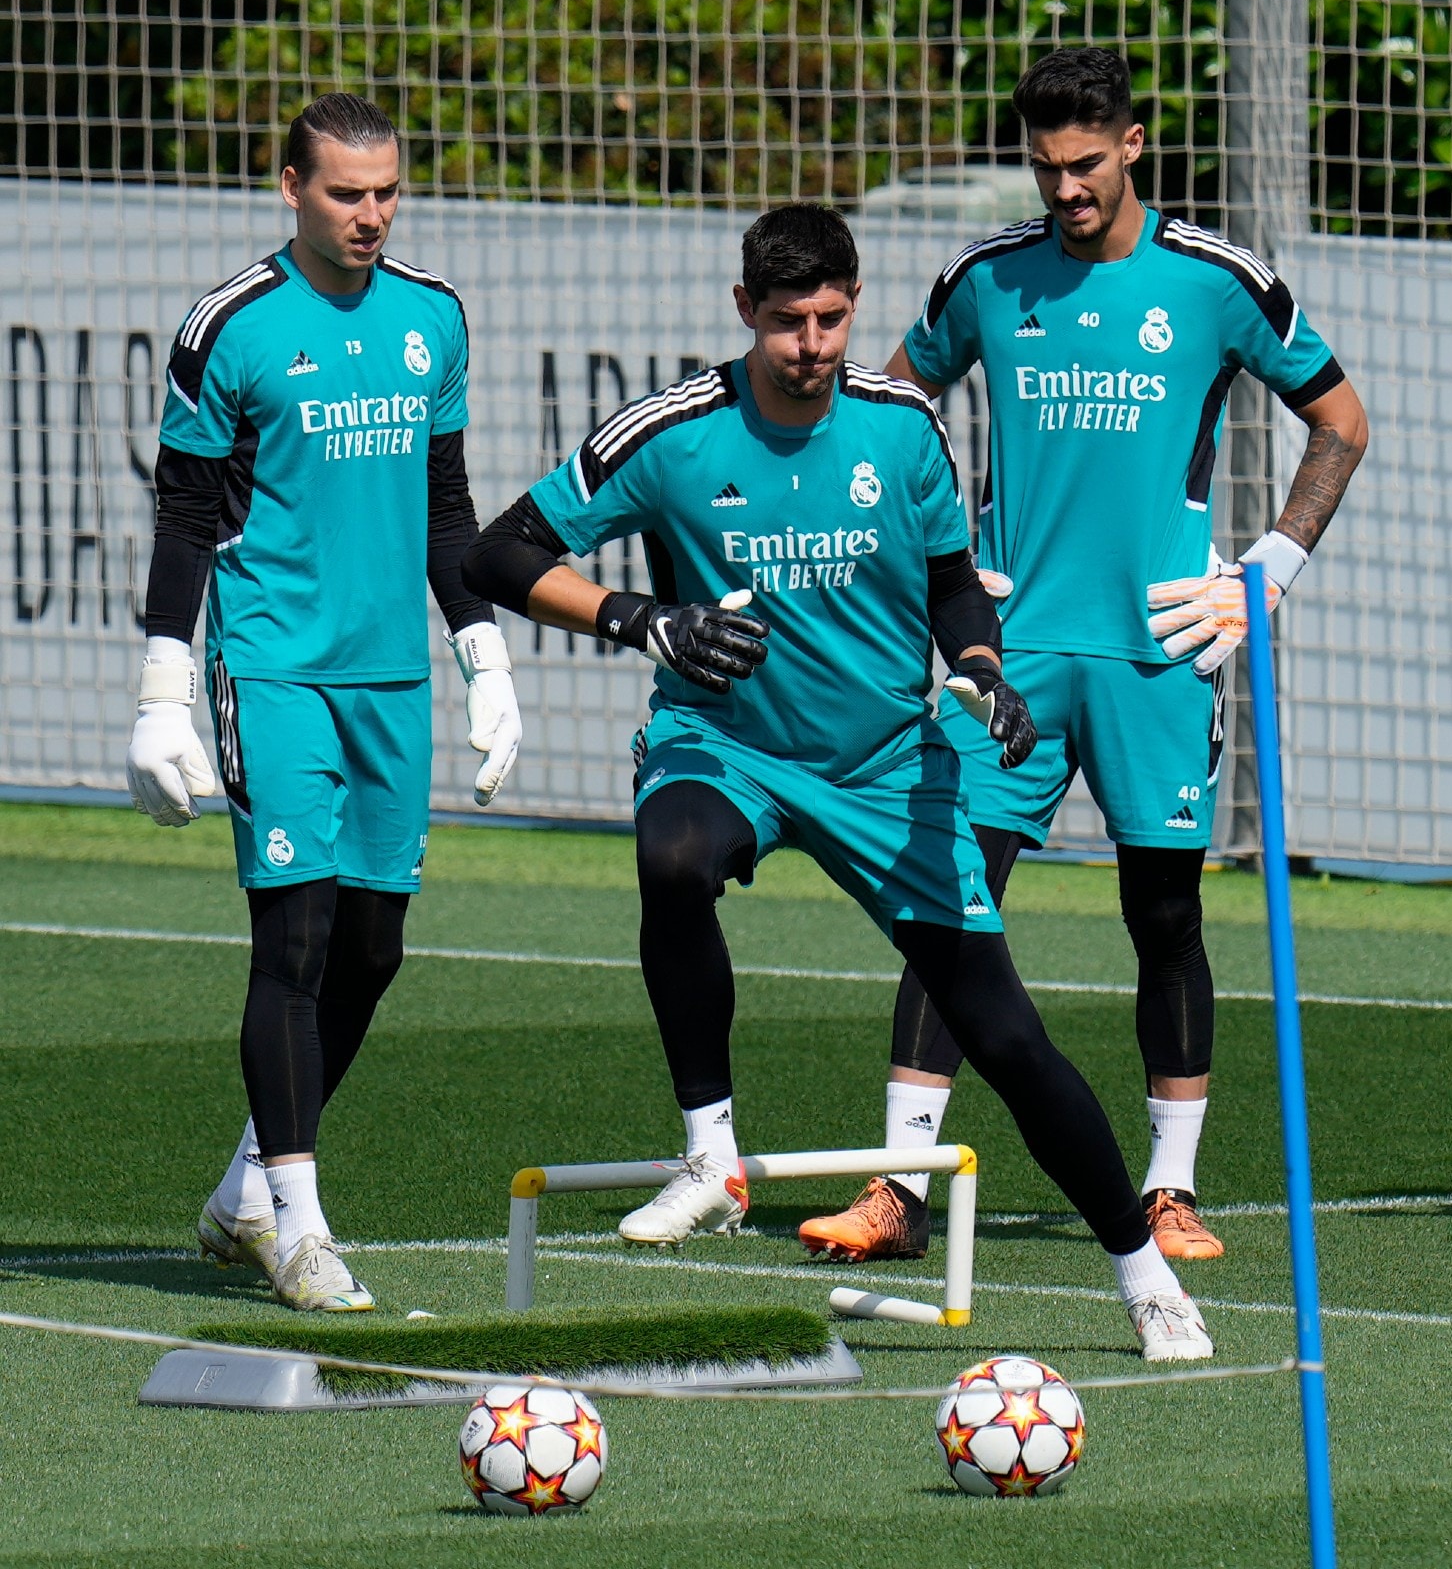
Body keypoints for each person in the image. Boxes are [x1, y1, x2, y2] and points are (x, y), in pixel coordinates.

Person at [464, 202, 1212, 1361]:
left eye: (827, 318)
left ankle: (1142, 1272)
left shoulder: (904, 426)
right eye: (784, 323)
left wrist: (978, 668)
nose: (809, 344)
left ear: (853, 307)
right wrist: (642, 619)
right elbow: (499, 550)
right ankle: (710, 1157)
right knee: (671, 855)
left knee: (1007, 1038)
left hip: (882, 770)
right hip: (727, 747)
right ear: (743, 313)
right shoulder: (670, 432)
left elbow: (957, 583)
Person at [799, 47, 1368, 1267]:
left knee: (1161, 912)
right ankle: (899, 1186)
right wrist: (939, 560)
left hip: (1155, 653)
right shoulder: (986, 278)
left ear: (1132, 144)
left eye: (1084, 163)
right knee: (946, 895)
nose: (1064, 188)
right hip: (1007, 656)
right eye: (1045, 165)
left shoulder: (1216, 282)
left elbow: (1340, 421)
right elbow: (891, 415)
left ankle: (1169, 1191)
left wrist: (1263, 573)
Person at [125, 93, 523, 1311]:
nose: (370, 213)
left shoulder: (434, 316)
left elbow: (445, 508)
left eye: (387, 190)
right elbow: (188, 514)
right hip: (274, 667)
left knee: (374, 947)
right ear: (287, 185)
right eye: (346, 192)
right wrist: (163, 686)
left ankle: (249, 1182)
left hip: (389, 680)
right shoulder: (228, 327)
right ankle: (301, 1225)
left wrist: (484, 659)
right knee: (291, 939)